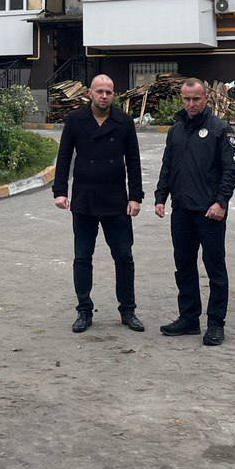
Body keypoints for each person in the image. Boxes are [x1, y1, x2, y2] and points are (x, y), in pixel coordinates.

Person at [53, 73, 145, 334]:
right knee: (82, 257)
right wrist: (60, 191)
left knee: (124, 257)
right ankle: (84, 310)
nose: (104, 96)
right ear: (89, 94)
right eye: (100, 91)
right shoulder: (75, 120)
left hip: (116, 200)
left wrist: (135, 196)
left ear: (114, 95)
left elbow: (133, 161)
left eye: (109, 92)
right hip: (85, 199)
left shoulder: (123, 121)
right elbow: (64, 156)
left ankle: (127, 310)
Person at [154, 77, 235, 346]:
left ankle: (215, 323)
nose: (191, 104)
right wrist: (160, 197)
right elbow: (167, 166)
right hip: (181, 211)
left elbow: (232, 169)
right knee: (184, 266)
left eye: (196, 99)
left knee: (215, 269)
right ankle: (189, 318)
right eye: (187, 99)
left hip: (210, 212)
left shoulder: (220, 129)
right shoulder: (176, 130)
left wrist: (221, 202)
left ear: (206, 99)